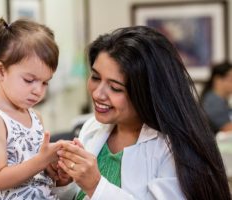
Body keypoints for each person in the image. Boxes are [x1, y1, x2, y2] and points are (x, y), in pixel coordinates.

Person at [49, 26, 231, 199]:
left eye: (115, 88)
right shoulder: (93, 127)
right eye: (95, 77)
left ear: (148, 93)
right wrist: (64, 182)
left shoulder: (172, 149)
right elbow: (79, 195)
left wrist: (96, 186)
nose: (97, 93)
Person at [0, 18, 62, 199]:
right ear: (0, 71)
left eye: (45, 82)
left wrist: (54, 170)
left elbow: (35, 174)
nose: (38, 90)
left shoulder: (35, 117)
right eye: (29, 80)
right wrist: (41, 160)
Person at [200, 62, 232, 134]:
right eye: (231, 79)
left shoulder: (220, 100)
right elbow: (227, 128)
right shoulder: (213, 101)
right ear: (218, 80)